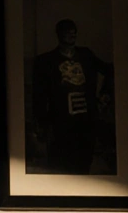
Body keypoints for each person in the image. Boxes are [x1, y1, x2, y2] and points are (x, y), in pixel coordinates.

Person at [29, 18, 113, 174]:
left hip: (86, 120)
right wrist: (40, 122)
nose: (71, 36)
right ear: (59, 34)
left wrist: (105, 95)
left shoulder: (86, 55)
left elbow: (110, 70)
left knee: (83, 162)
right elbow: (38, 94)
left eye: (73, 33)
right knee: (60, 164)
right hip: (60, 121)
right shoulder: (45, 61)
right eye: (67, 33)